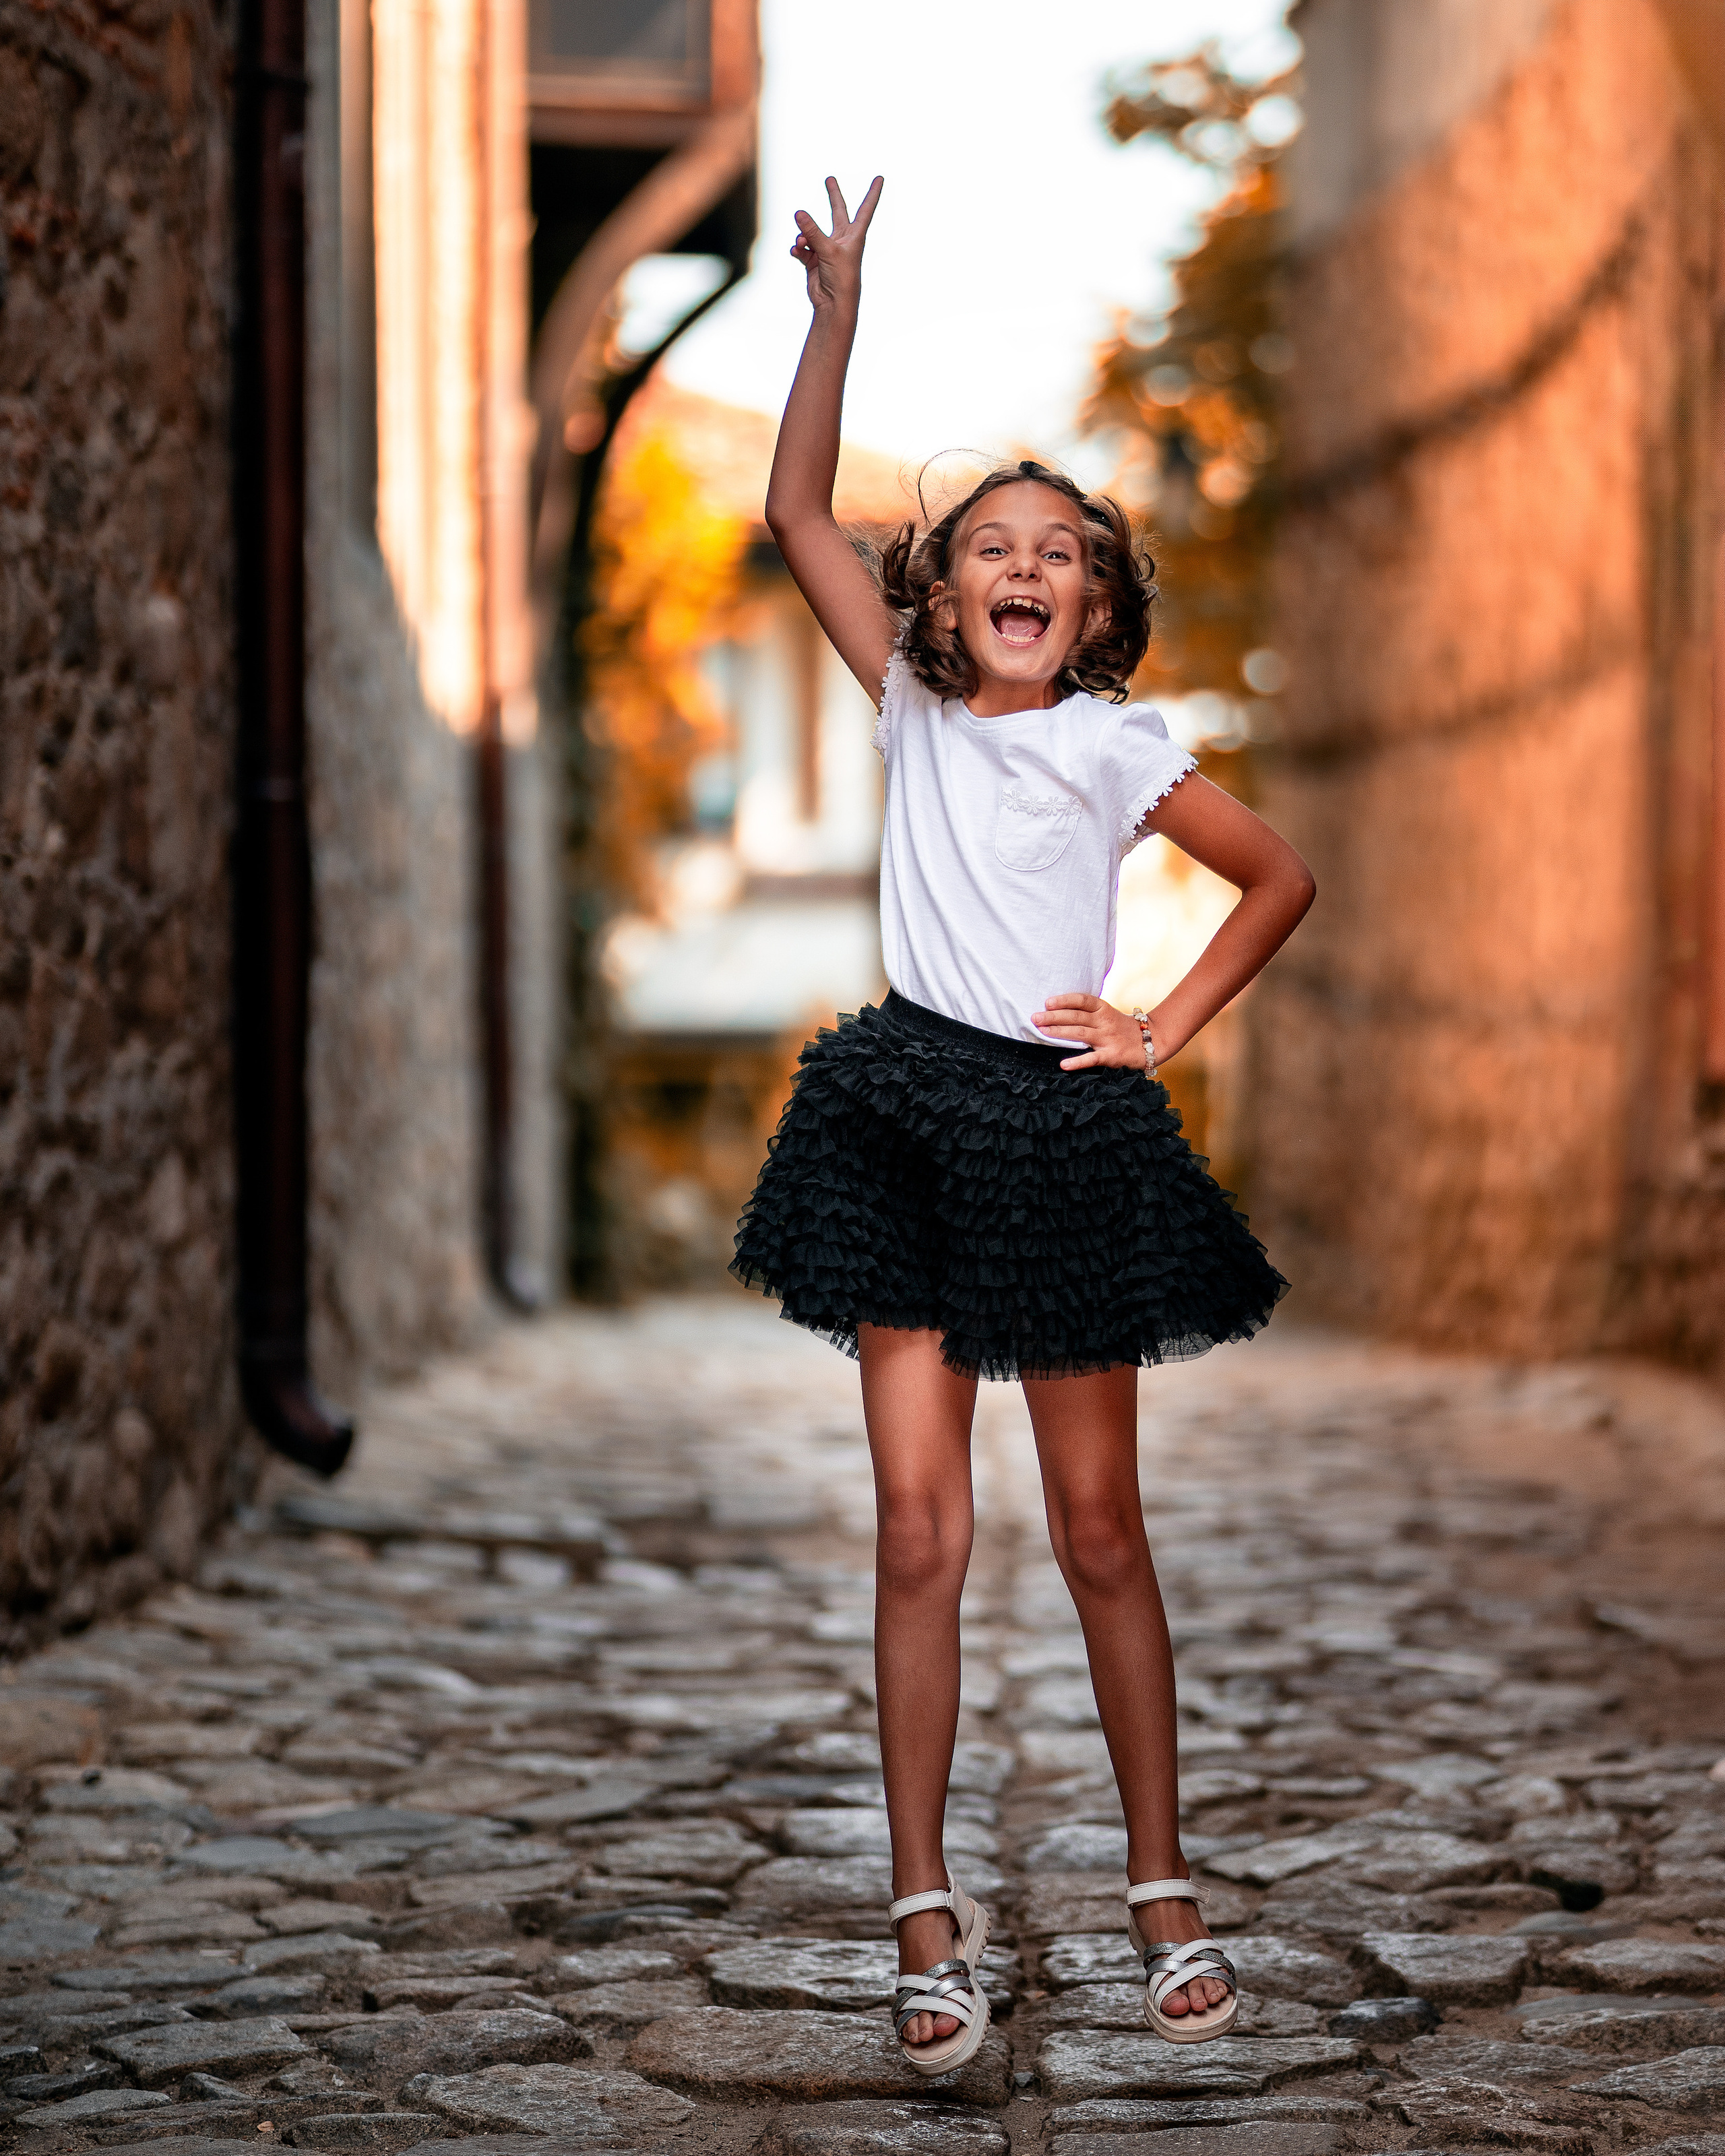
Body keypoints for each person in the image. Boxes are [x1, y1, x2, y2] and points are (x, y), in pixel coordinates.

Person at [730, 177, 1316, 2070]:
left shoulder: (1114, 742)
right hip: (904, 1112)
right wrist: (838, 313)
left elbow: (1277, 877)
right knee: (921, 1530)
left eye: (1059, 550)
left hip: (1064, 1128)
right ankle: (922, 1915)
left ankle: (1163, 1887)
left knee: (1099, 1529)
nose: (1026, 564)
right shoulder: (902, 702)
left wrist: (1161, 1021)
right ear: (944, 590)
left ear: (1095, 601)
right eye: (994, 542)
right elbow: (795, 511)